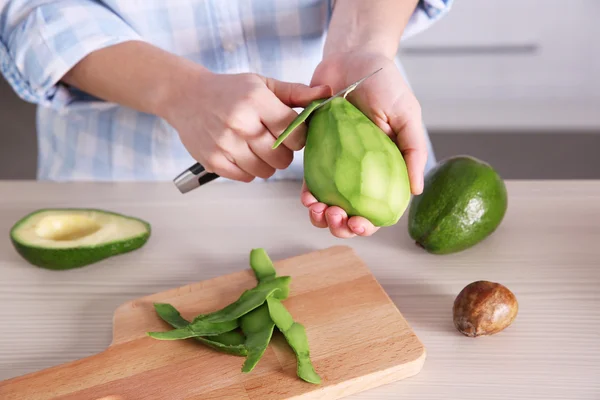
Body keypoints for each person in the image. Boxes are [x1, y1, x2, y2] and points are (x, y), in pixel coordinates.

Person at [0, 0, 452, 238]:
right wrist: (179, 92)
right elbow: (26, 10)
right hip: (129, 179)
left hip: (359, 119)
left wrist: (360, 47)